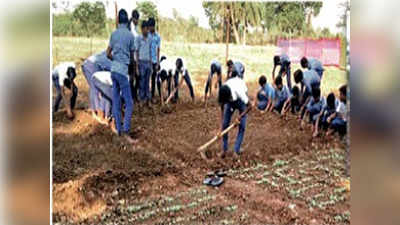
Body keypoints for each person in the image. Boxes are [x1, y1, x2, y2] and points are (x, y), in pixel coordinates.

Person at [106, 9, 136, 143]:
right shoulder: (130, 36)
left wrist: (115, 60)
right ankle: (125, 131)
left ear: (118, 20)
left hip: (113, 71)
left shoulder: (113, 34)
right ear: (127, 20)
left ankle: (118, 130)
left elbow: (108, 53)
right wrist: (133, 69)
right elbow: (133, 57)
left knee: (116, 101)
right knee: (129, 103)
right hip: (123, 72)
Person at [218, 71, 252, 158]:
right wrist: (220, 127)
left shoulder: (239, 91)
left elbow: (250, 106)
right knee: (225, 124)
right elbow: (222, 107)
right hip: (231, 101)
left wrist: (240, 117)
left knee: (242, 126)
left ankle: (236, 150)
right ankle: (224, 150)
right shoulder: (223, 91)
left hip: (240, 101)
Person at [81, 51, 112, 119]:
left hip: (92, 64)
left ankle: (102, 112)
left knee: (103, 90)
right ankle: (97, 113)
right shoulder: (114, 61)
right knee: (95, 89)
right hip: (90, 65)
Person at [135, 20, 153, 108]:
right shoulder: (138, 38)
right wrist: (137, 66)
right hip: (141, 63)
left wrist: (151, 64)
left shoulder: (150, 38)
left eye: (147, 29)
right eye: (145, 29)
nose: (147, 31)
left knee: (147, 82)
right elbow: (136, 52)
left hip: (148, 62)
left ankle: (148, 100)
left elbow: (151, 51)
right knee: (141, 83)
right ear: (142, 29)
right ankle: (141, 100)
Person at [148, 17, 161, 103]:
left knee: (153, 79)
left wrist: (157, 62)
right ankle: (145, 96)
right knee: (145, 79)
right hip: (147, 60)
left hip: (154, 60)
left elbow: (158, 49)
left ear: (153, 26)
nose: (150, 28)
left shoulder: (157, 37)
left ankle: (152, 96)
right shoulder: (147, 35)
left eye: (151, 26)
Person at [129, 9, 140, 101]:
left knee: (134, 77)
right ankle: (132, 95)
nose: (138, 21)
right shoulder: (131, 29)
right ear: (133, 18)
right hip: (131, 56)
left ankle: (133, 94)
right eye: (137, 19)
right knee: (133, 76)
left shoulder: (133, 27)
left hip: (133, 55)